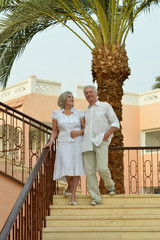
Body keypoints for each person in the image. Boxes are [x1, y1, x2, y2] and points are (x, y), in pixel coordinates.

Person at [43, 91, 85, 205]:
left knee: (76, 169)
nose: (72, 99)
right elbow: (55, 130)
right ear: (64, 100)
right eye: (69, 97)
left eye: (72, 97)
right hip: (63, 143)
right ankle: (70, 185)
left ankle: (73, 196)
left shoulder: (79, 113)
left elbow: (85, 128)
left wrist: (78, 132)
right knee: (66, 166)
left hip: (77, 143)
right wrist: (50, 142)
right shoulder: (56, 114)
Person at [82, 85, 120, 206]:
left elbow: (115, 122)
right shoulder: (85, 112)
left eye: (90, 92)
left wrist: (107, 134)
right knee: (90, 172)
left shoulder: (105, 106)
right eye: (86, 93)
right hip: (87, 143)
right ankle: (95, 198)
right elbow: (83, 129)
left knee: (103, 168)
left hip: (101, 141)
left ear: (96, 93)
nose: (89, 94)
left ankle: (110, 186)